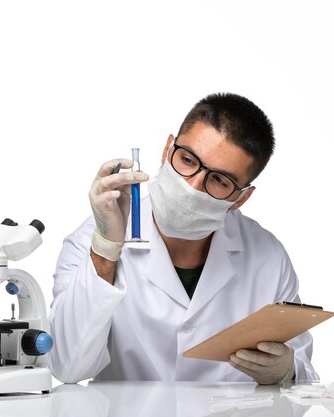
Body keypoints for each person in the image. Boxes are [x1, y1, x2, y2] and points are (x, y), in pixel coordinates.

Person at [48, 93, 319, 384]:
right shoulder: (93, 239)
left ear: (241, 198)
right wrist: (105, 249)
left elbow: (304, 382)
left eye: (219, 180)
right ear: (167, 150)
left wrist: (288, 372)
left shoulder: (268, 257)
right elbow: (67, 367)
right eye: (188, 160)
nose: (193, 186)